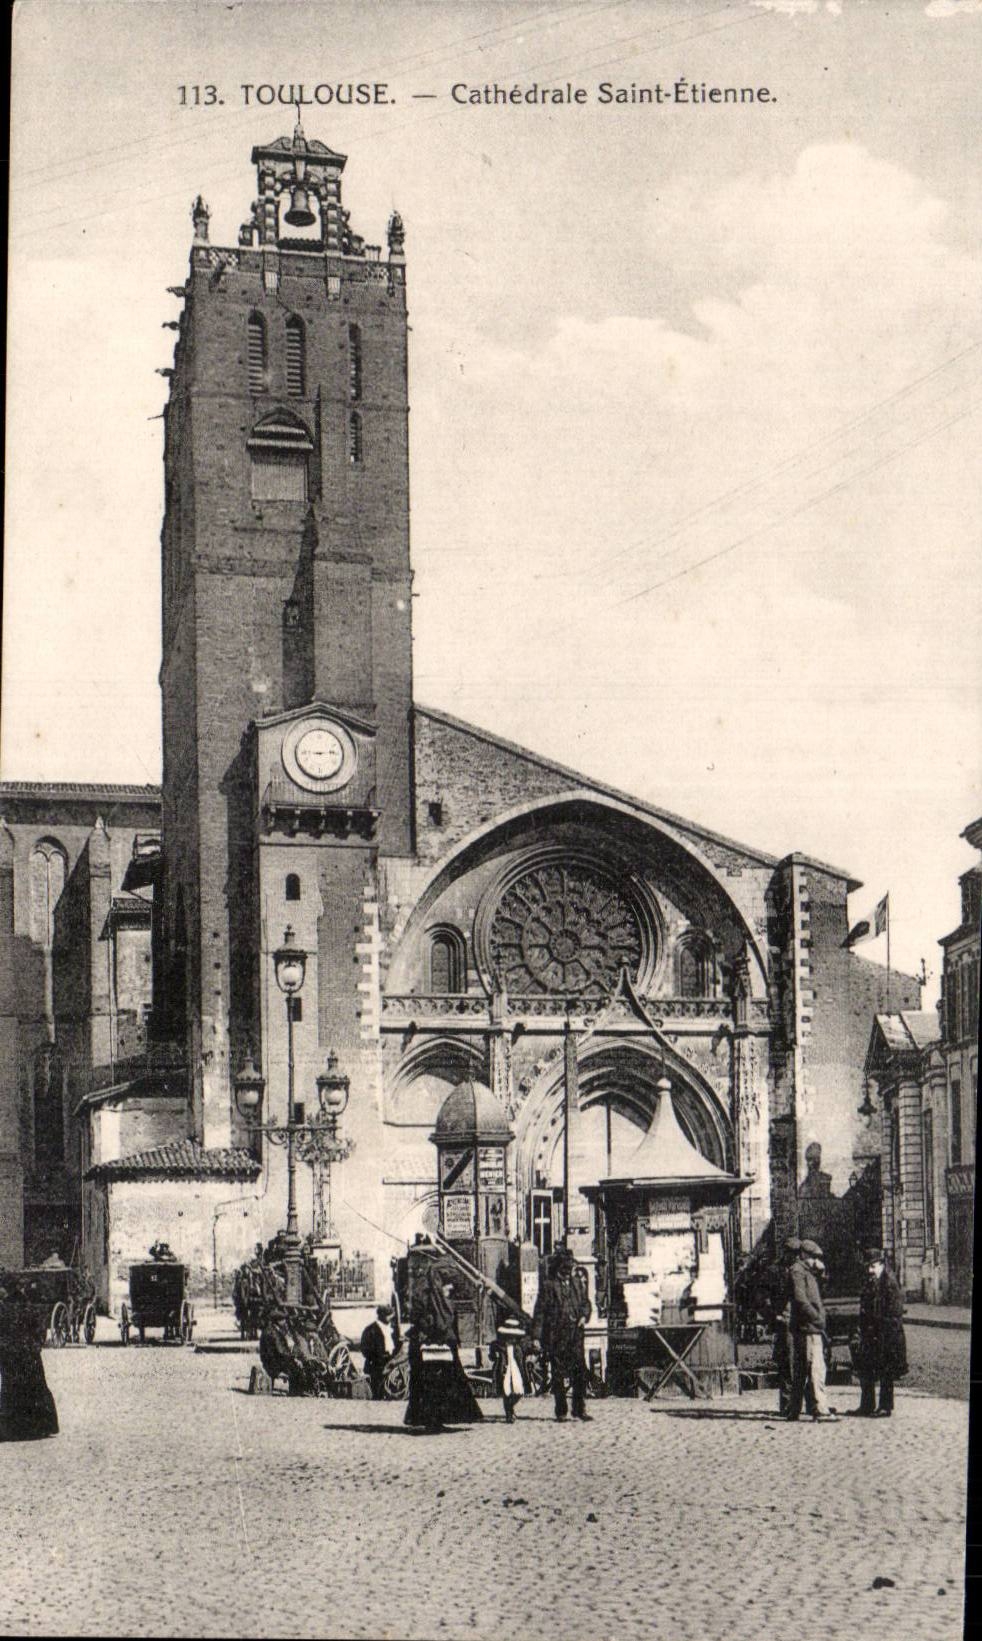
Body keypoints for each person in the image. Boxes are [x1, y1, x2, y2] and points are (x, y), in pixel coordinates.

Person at [404, 1265, 482, 1431]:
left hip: (440, 1349)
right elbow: (428, 1322)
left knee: (444, 1385)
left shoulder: (436, 1299)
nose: (450, 1289)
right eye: (447, 1285)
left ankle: (438, 1420)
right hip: (431, 1349)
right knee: (434, 1386)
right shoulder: (428, 1300)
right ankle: (432, 1421)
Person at [531, 1246, 592, 1423]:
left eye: (569, 1268)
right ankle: (561, 1411)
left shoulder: (577, 1283)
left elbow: (586, 1304)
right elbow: (540, 1311)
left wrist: (583, 1316)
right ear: (559, 1268)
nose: (568, 1272)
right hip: (557, 1335)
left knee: (580, 1372)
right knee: (558, 1374)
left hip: (575, 1334)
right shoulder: (549, 1285)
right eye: (565, 1269)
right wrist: (536, 1336)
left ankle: (579, 1410)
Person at [0, 1276, 59, 1441]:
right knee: (35, 1386)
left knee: (13, 1389)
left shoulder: (4, 1307)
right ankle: (40, 1426)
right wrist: (35, 1346)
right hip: (29, 1354)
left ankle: (15, 1428)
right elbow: (40, 1328)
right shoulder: (28, 1304)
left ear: (6, 1288)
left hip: (11, 1355)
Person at [787, 1239, 838, 1423]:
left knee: (802, 1369)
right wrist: (816, 1318)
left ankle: (794, 1410)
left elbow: (817, 1292)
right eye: (814, 1258)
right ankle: (820, 1409)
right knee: (816, 1369)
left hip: (808, 1327)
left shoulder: (806, 1271)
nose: (816, 1261)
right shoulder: (798, 1272)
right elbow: (801, 1300)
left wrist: (822, 1273)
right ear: (805, 1256)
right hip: (808, 1327)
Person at [855, 1248, 907, 1418]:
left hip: (887, 1335)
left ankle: (885, 1407)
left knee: (886, 1372)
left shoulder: (889, 1283)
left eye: (873, 1266)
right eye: (868, 1267)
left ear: (882, 1265)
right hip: (873, 1333)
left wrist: (880, 1330)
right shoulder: (872, 1281)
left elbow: (894, 1313)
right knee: (866, 1369)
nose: (870, 1270)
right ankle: (867, 1405)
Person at [491, 1315, 529, 1424]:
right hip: (504, 1371)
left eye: (513, 1336)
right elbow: (492, 1355)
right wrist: (495, 1355)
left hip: (517, 1371)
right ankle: (509, 1413)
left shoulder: (519, 1347)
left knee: (519, 1392)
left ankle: (510, 1407)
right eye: (508, 1336)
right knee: (506, 1392)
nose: (511, 1338)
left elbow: (529, 1351)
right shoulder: (498, 1346)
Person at [360, 1304, 399, 1400]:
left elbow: (396, 1344)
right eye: (389, 1315)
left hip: (390, 1361)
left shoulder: (391, 1328)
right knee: (377, 1389)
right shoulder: (370, 1330)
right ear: (382, 1316)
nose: (391, 1318)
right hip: (376, 1364)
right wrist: (377, 1357)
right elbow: (365, 1349)